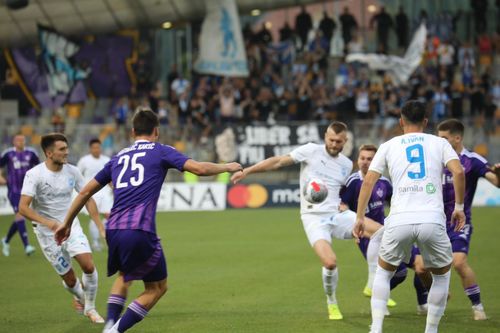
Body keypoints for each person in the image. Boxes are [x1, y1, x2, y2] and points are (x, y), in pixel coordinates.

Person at [55, 107, 242, 333]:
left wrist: (66, 223)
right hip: (139, 228)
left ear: (133, 131)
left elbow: (84, 193)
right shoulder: (160, 151)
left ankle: (108, 327)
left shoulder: (117, 157)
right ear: (156, 131)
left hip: (113, 228)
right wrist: (227, 166)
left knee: (125, 276)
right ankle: (114, 332)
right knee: (157, 287)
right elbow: (200, 169)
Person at [231, 121, 385, 321]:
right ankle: (332, 302)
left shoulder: (346, 164)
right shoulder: (311, 151)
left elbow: (342, 194)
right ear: (325, 137)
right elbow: (278, 162)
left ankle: (372, 282)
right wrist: (247, 171)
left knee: (382, 232)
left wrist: (354, 218)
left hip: (336, 215)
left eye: (338, 141)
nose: (334, 144)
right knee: (330, 263)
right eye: (331, 139)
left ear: (345, 141)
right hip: (314, 218)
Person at [354, 100, 465, 333]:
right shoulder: (439, 143)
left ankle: (376, 329)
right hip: (432, 219)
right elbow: (458, 171)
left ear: (401, 122)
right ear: (426, 121)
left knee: (383, 273)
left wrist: (360, 217)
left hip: (399, 219)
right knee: (442, 277)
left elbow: (368, 181)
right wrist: (459, 206)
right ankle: (431, 330)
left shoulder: (388, 145)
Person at [413, 119, 500, 320]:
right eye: (438, 137)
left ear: (457, 138)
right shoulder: (433, 159)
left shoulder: (472, 160)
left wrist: (498, 174)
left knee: (459, 263)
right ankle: (439, 293)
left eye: (443, 138)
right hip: (431, 220)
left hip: (459, 223)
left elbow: (496, 182)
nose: (439, 141)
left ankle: (477, 307)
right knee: (420, 268)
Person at [19, 133, 105, 323]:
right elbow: (23, 207)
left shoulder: (72, 171)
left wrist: (100, 226)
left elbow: (87, 197)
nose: (67, 152)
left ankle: (90, 309)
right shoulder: (34, 175)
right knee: (71, 280)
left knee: (88, 266)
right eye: (62, 149)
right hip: (46, 234)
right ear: (49, 153)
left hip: (70, 226)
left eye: (67, 148)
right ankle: (79, 297)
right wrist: (50, 223)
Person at [0, 134, 39, 256]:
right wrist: (1, 178)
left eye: (22, 139)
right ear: (13, 141)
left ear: (25, 141)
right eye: (18, 140)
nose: (20, 142)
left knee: (21, 216)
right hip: (14, 189)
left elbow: (39, 168)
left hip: (28, 190)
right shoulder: (8, 154)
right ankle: (27, 246)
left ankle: (6, 240)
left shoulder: (31, 153)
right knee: (20, 214)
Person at [77, 138, 113, 251]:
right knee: (95, 217)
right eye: (94, 148)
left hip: (106, 193)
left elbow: (111, 176)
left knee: (109, 217)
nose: (96, 149)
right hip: (92, 193)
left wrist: (114, 188)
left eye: (98, 147)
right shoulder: (84, 161)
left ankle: (108, 239)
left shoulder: (106, 160)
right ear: (90, 149)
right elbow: (77, 175)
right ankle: (96, 242)